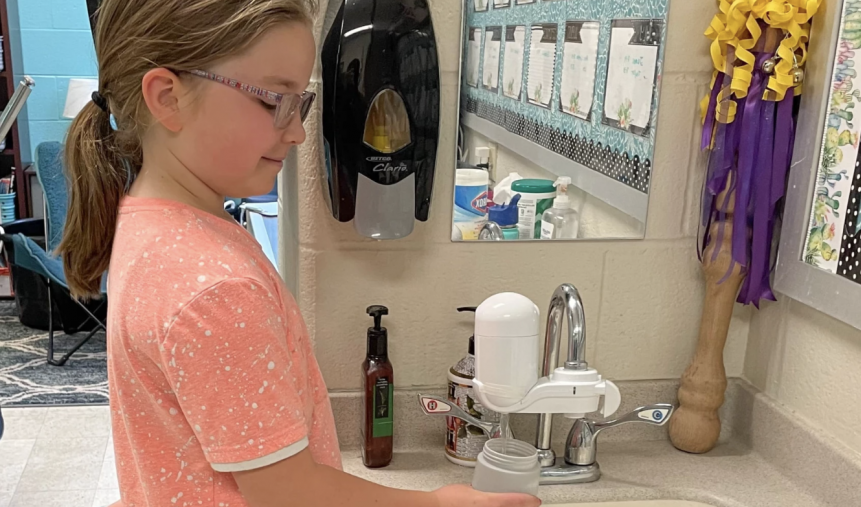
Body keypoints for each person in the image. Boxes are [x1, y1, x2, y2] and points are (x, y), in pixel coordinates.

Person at [57, 1, 542, 507]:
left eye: (301, 103)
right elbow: (292, 495)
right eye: (274, 101)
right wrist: (442, 503)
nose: (297, 131)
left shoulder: (154, 224)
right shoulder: (214, 287)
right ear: (167, 97)